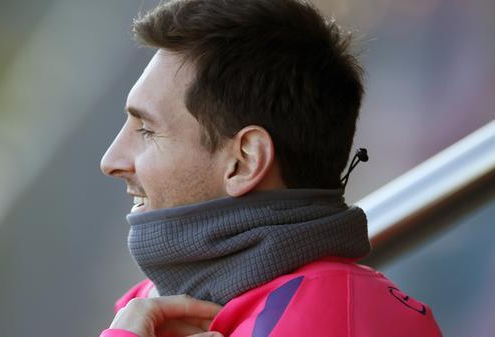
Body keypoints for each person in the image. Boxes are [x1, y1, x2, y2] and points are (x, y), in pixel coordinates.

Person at [99, 0, 443, 336]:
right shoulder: (151, 310)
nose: (111, 160)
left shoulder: (331, 324)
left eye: (147, 129)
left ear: (245, 161)